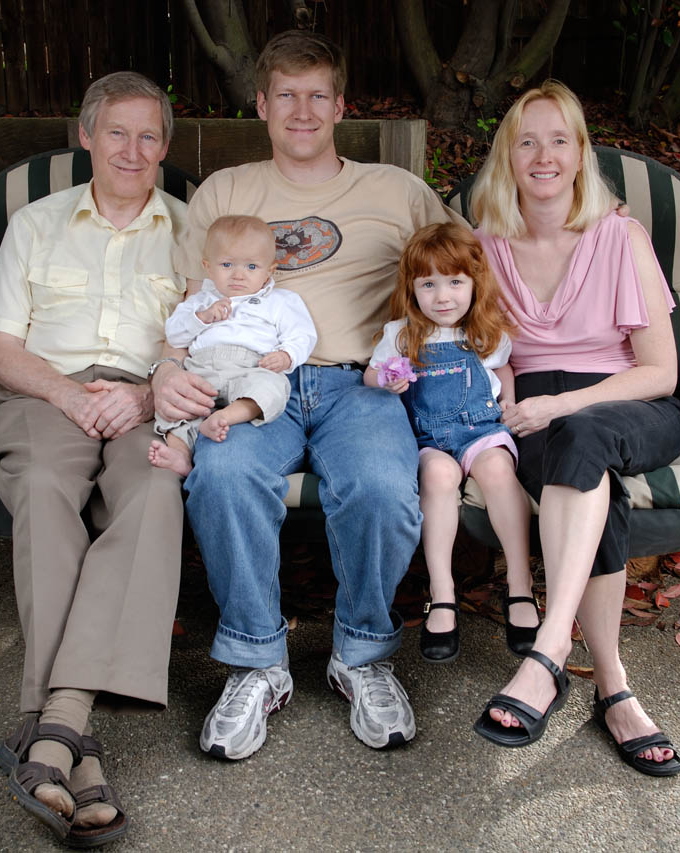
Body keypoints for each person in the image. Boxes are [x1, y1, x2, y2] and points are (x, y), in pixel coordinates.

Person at [152, 29, 467, 759]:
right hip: (246, 380)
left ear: (340, 106)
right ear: (262, 105)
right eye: (286, 95)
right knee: (224, 474)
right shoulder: (226, 190)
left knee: (383, 485)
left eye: (317, 95)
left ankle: (361, 654)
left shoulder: (395, 190)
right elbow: (188, 302)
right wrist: (165, 370)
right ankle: (258, 661)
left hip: (360, 380)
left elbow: (469, 267)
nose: (302, 110)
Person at [0, 71, 187, 845]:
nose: (132, 150)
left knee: (156, 491)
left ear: (164, 147)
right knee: (41, 483)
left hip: (147, 402)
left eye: (148, 135)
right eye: (116, 132)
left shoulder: (191, 229)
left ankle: (55, 728)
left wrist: (144, 398)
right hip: (43, 395)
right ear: (86, 136)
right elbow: (1, 348)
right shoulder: (35, 224)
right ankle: (77, 741)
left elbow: (204, 342)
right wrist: (69, 395)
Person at [469, 80, 680, 776]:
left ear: (580, 153)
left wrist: (563, 405)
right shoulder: (484, 247)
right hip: (532, 409)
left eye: (559, 140)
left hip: (631, 403)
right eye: (527, 141)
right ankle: (614, 688)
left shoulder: (620, 236)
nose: (544, 156)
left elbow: (661, 372)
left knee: (585, 436)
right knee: (596, 487)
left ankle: (550, 648)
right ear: (507, 156)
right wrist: (507, 398)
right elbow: (486, 350)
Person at [365, 222, 533, 665]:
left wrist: (509, 401)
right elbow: (370, 373)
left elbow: (503, 368)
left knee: (497, 469)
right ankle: (442, 593)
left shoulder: (484, 331)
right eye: (429, 284)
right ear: (412, 288)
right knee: (438, 476)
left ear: (475, 283)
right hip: (426, 438)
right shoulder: (401, 334)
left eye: (455, 282)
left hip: (481, 430)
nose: (443, 297)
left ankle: (519, 584)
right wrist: (387, 379)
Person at [148, 214, 317, 476]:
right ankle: (179, 454)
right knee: (178, 403)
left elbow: (302, 334)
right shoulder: (200, 301)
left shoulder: (281, 301)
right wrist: (202, 318)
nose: (238, 275)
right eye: (227, 264)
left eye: (251, 267)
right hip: (202, 369)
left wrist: (286, 356)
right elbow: (175, 335)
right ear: (208, 267)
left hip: (252, 368)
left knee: (272, 387)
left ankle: (226, 417)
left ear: (269, 270)